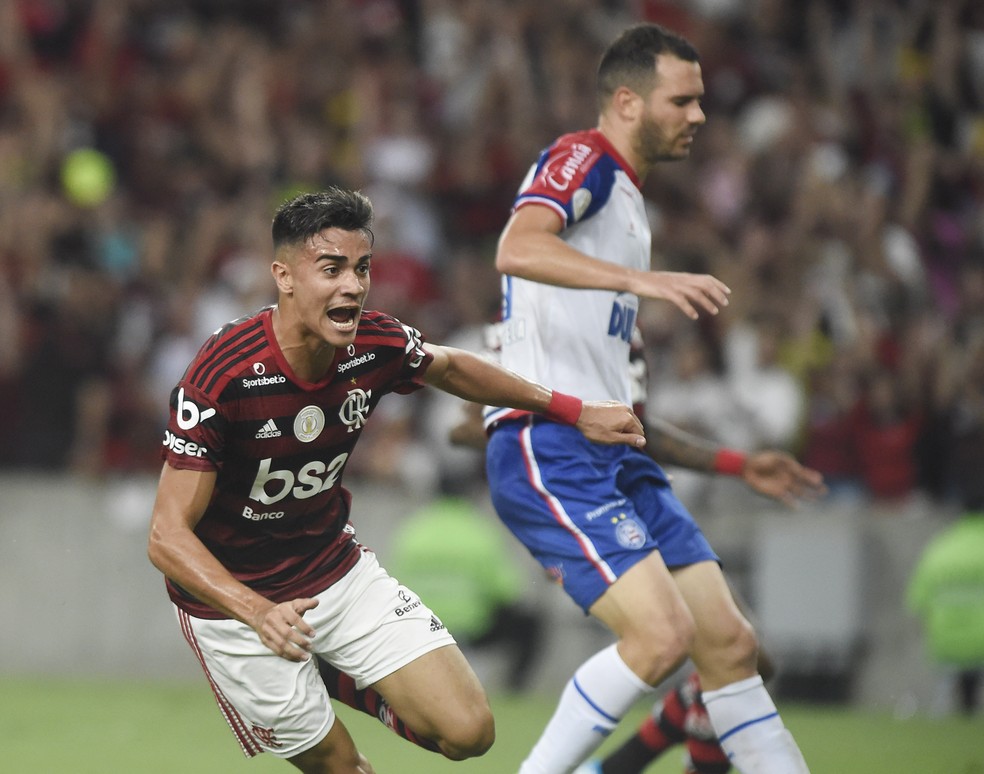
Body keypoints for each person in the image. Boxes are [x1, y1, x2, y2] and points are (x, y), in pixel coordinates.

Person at [146, 187, 646, 774]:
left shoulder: (372, 344)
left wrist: (574, 408)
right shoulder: (223, 374)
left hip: (333, 570)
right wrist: (257, 612)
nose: (352, 287)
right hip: (235, 606)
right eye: (330, 269)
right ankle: (314, 670)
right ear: (283, 276)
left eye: (362, 269)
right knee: (344, 768)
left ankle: (329, 670)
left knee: (470, 731)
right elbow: (166, 535)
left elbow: (453, 366)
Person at [485, 23, 825, 774]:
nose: (700, 116)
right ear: (629, 101)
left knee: (732, 646)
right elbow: (517, 245)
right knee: (659, 639)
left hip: (615, 452)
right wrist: (642, 283)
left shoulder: (630, 207)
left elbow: (630, 410)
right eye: (684, 100)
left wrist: (737, 464)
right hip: (550, 441)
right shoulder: (584, 158)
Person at [387, 491, 545, 693]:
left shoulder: (412, 529)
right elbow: (507, 591)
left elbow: (395, 582)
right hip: (472, 627)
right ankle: (513, 688)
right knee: (530, 623)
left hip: (421, 626)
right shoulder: (479, 530)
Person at [906, 499, 984, 716]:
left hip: (945, 641)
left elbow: (917, 600)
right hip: (981, 641)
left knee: (945, 694)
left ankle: (941, 717)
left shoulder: (941, 546)